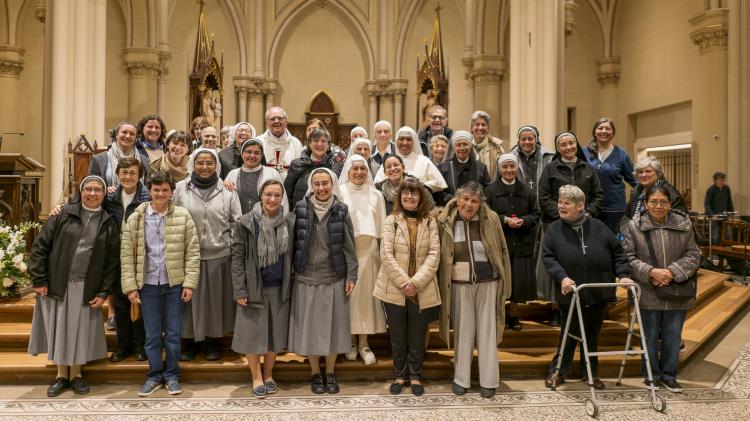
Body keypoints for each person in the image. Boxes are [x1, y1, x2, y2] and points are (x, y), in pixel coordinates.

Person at [28, 176, 119, 397]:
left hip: (86, 286)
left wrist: (104, 291)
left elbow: (111, 262)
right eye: (88, 189)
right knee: (60, 330)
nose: (93, 193)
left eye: (98, 190)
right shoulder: (63, 214)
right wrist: (38, 279)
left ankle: (76, 375)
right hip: (58, 283)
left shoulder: (109, 222)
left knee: (80, 332)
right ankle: (61, 375)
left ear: (104, 193)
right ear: (81, 191)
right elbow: (40, 246)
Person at [542, 185, 632, 391]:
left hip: (598, 291)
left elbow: (618, 253)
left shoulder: (599, 227)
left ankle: (590, 373)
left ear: (580, 206)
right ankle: (557, 372)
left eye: (567, 203)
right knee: (567, 334)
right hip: (571, 293)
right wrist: (562, 277)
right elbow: (548, 258)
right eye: (560, 202)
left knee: (592, 336)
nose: (561, 206)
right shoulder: (554, 229)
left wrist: (624, 275)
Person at [121, 171, 200, 397]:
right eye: (156, 190)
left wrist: (189, 283)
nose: (161, 194)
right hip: (148, 285)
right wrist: (131, 287)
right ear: (150, 191)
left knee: (174, 334)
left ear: (172, 192)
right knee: (153, 335)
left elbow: (192, 252)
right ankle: (154, 374)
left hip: (174, 284)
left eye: (165, 190)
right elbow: (126, 254)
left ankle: (172, 375)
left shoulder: (183, 216)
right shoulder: (136, 217)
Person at [622, 185, 701, 393]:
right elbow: (627, 258)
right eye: (654, 202)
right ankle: (651, 376)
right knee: (648, 336)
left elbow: (694, 254)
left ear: (670, 203)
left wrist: (671, 272)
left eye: (663, 202)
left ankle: (669, 376)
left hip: (677, 290)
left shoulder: (683, 223)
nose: (659, 206)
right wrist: (651, 272)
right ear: (646, 204)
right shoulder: (634, 226)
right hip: (648, 290)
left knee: (673, 337)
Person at [437, 181, 512, 398]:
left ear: (480, 204)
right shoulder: (445, 219)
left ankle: (489, 380)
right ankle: (461, 378)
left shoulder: (492, 218)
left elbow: (503, 250)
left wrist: (505, 283)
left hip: (488, 280)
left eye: (474, 201)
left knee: (487, 332)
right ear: (458, 198)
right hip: (459, 283)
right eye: (465, 199)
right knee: (463, 332)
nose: (469, 204)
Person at [288, 168, 358, 395]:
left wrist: (351, 275)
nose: (321, 188)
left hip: (333, 276)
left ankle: (330, 372)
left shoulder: (341, 210)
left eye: (325, 183)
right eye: (316, 184)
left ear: (332, 184)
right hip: (305, 277)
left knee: (333, 328)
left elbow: (349, 247)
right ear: (311, 185)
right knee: (309, 328)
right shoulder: (299, 208)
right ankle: (314, 373)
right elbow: (291, 245)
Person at [372, 176, 440, 396]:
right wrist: (404, 282)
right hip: (395, 287)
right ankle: (400, 375)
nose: (410, 196)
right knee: (398, 335)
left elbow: (434, 254)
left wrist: (416, 282)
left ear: (421, 197)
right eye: (406, 193)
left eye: (414, 193)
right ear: (400, 197)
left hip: (422, 288)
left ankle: (416, 375)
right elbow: (386, 254)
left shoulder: (430, 221)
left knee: (418, 335)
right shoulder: (391, 220)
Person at [173, 148, 242, 361]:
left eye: (209, 163)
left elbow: (236, 221)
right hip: (188, 255)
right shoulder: (180, 188)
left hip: (219, 255)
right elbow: (172, 216)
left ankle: (213, 340)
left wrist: (228, 244)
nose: (204, 167)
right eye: (200, 163)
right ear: (193, 163)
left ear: (217, 166)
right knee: (188, 303)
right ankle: (190, 341)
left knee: (214, 303)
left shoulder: (228, 190)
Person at [231, 179, 295, 399]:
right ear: (261, 196)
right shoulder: (245, 222)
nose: (272, 199)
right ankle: (256, 376)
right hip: (253, 287)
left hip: (279, 287)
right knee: (252, 335)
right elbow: (237, 258)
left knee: (274, 336)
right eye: (268, 194)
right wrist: (240, 289)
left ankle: (268, 375)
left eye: (277, 195)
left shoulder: (288, 221)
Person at [538, 131, 604, 326]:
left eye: (571, 143)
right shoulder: (550, 169)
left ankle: (585, 304)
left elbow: (598, 195)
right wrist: (562, 215)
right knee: (560, 268)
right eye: (563, 144)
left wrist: (588, 214)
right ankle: (558, 309)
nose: (568, 147)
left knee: (582, 264)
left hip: (585, 226)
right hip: (558, 226)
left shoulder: (588, 169)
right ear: (558, 149)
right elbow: (543, 197)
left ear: (576, 145)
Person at [339, 155, 387, 365]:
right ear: (348, 170)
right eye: (355, 168)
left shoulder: (377, 194)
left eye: (363, 169)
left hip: (370, 251)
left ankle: (364, 344)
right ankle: (349, 341)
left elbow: (383, 228)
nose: (359, 172)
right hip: (346, 251)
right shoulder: (339, 192)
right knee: (348, 297)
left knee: (367, 299)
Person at [484, 154, 540, 331]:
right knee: (498, 281)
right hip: (499, 242)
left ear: (517, 168)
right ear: (499, 169)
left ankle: (514, 316)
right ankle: (497, 315)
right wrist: (504, 220)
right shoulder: (490, 190)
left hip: (521, 240)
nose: (509, 170)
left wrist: (524, 221)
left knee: (517, 282)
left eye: (512, 167)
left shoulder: (527, 190)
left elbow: (536, 214)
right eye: (505, 167)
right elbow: (485, 214)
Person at [106, 158, 151, 363]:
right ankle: (123, 346)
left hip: (140, 255)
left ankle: (139, 345)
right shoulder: (111, 197)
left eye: (132, 173)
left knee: (139, 302)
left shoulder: (147, 197)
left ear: (139, 175)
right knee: (121, 302)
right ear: (118, 174)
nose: (128, 177)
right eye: (124, 173)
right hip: (117, 256)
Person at [582, 118, 637, 233]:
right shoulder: (584, 153)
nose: (604, 131)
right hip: (590, 208)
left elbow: (634, 180)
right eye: (600, 128)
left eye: (608, 128)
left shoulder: (621, 154)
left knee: (614, 243)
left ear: (613, 133)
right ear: (594, 132)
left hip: (615, 208)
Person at [373, 126, 447, 194]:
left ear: (414, 142)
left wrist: (419, 187)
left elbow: (439, 183)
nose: (405, 143)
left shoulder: (424, 160)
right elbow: (378, 183)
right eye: (401, 139)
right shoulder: (389, 161)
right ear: (396, 141)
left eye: (408, 139)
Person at [284, 127, 344, 208]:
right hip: (300, 213)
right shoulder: (297, 164)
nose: (319, 144)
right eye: (316, 140)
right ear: (309, 144)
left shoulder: (335, 165)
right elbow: (287, 193)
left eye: (323, 141)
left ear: (328, 145)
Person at [224, 139, 283, 214]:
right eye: (248, 152)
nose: (252, 156)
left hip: (265, 222)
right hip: (238, 222)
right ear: (242, 154)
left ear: (261, 156)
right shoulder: (232, 174)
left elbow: (281, 201)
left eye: (257, 153)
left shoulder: (272, 174)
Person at [623, 157, 687, 225]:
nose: (644, 175)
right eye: (640, 172)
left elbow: (678, 222)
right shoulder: (636, 191)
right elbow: (626, 217)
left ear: (658, 173)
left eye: (648, 171)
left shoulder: (671, 194)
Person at [88, 121, 149, 191]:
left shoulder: (145, 161)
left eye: (132, 134)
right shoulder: (99, 159)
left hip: (139, 201)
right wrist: (104, 189)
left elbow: (150, 187)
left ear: (135, 138)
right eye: (124, 132)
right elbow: (90, 184)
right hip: (108, 200)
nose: (128, 136)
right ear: (116, 135)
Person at [435, 130, 491, 206]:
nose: (462, 148)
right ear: (453, 147)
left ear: (470, 145)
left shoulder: (481, 167)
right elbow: (438, 192)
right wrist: (456, 200)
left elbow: (487, 190)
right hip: (451, 209)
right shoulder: (443, 168)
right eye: (458, 145)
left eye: (465, 144)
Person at [258, 106, 305, 180]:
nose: (276, 121)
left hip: (289, 188)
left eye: (280, 118)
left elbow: (301, 169)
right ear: (267, 122)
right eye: (272, 119)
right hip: (264, 187)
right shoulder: (258, 142)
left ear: (286, 121)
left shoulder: (296, 143)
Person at [509, 125, 554, 200]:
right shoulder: (511, 158)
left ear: (536, 140)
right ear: (518, 141)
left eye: (530, 139)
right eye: (523, 139)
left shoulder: (549, 157)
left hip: (543, 203)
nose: (527, 142)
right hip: (519, 202)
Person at [470, 111, 506, 181]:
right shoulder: (466, 146)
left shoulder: (497, 148)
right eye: (477, 124)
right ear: (471, 128)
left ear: (488, 128)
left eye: (483, 125)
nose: (480, 128)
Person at [704, 171, 734, 244]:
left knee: (728, 236)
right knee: (715, 237)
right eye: (720, 180)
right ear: (715, 181)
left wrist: (731, 215)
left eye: (723, 180)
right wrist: (712, 215)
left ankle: (727, 254)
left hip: (725, 216)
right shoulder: (711, 190)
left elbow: (730, 202)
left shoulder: (727, 189)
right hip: (715, 218)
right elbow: (707, 203)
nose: (723, 182)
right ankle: (715, 254)